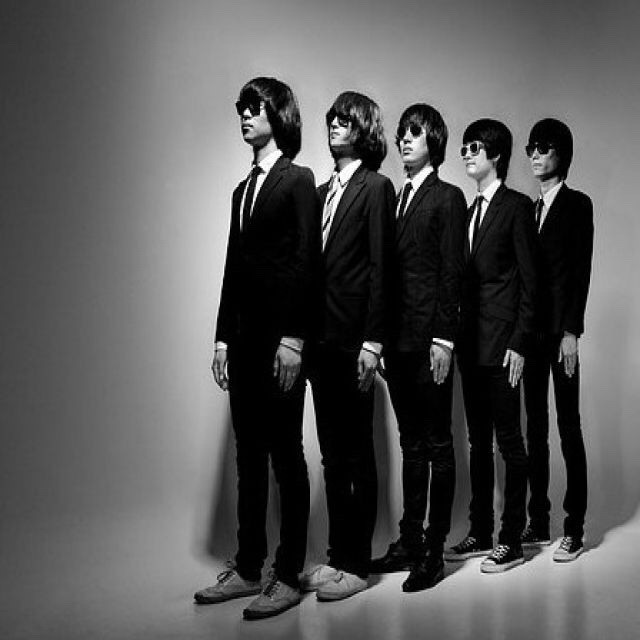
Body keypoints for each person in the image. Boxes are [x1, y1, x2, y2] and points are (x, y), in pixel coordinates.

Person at [194, 77, 320, 620]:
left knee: (286, 455)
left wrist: (294, 338)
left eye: (254, 107)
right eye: (240, 108)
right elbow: (233, 269)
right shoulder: (240, 190)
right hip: (243, 346)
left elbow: (308, 263)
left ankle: (287, 574)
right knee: (248, 456)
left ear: (279, 114)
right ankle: (248, 568)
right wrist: (222, 337)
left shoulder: (299, 180)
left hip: (281, 345)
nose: (244, 115)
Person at [301, 91, 395, 601]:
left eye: (345, 120)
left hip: (356, 341)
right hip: (319, 343)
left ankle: (358, 565)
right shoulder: (320, 191)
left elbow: (382, 269)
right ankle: (338, 555)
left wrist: (373, 342)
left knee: (358, 455)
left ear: (364, 130)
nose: (334, 125)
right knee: (332, 457)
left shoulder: (376, 187)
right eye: (332, 119)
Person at [369, 104, 466, 592]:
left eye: (415, 132)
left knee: (438, 444)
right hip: (399, 343)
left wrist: (444, 339)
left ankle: (433, 550)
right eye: (402, 132)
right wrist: (382, 340)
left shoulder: (448, 197)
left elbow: (452, 272)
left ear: (434, 141)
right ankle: (409, 540)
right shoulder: (395, 197)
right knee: (411, 443)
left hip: (431, 342)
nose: (404, 139)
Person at [446, 119, 537, 573]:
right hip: (470, 346)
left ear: (496, 155)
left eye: (475, 147)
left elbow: (531, 283)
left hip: (504, 347)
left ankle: (511, 539)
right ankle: (481, 530)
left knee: (509, 441)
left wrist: (520, 342)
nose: (466, 153)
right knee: (477, 442)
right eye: (463, 147)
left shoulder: (516, 207)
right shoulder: (467, 211)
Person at [522, 118, 593, 562]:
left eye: (543, 148)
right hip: (530, 336)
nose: (534, 154)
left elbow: (580, 271)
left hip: (560, 334)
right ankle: (538, 522)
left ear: (561, 155)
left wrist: (571, 332)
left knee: (569, 428)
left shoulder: (577, 204)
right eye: (531, 147)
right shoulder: (528, 209)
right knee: (535, 429)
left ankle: (574, 529)